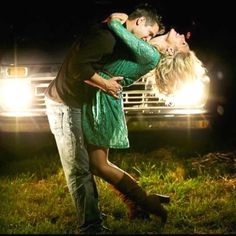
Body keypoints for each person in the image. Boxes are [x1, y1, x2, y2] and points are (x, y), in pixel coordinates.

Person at [81, 12, 210, 229]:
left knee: (98, 164)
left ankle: (145, 202)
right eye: (185, 41)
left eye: (183, 44)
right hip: (100, 95)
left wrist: (116, 18)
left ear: (170, 51)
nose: (184, 38)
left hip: (102, 99)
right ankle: (140, 203)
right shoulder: (148, 45)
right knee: (95, 163)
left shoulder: (150, 55)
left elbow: (115, 26)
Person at [44, 3, 165, 234]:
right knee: (79, 169)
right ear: (139, 22)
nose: (148, 40)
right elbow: (77, 68)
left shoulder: (117, 35)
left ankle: (105, 213)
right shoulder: (104, 37)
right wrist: (106, 84)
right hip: (64, 103)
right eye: (148, 33)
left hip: (81, 103)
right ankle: (91, 227)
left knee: (91, 164)